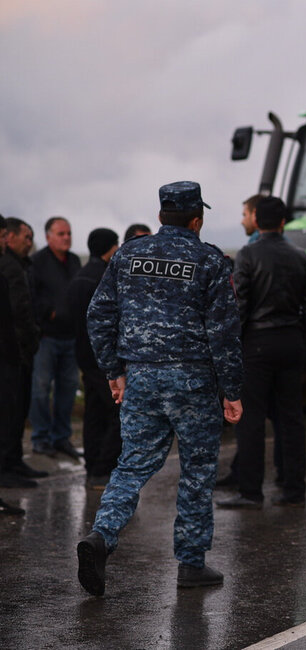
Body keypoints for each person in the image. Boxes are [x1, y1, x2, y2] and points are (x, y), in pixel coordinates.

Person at [76, 181, 243, 597]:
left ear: (159, 216)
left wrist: (114, 371)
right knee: (197, 469)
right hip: (194, 381)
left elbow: (98, 314)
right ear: (197, 220)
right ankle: (191, 563)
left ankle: (102, 536)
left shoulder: (127, 254)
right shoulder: (210, 260)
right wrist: (232, 390)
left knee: (132, 464)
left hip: (142, 377)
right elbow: (223, 332)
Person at [217, 196, 306, 509]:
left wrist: (235, 340)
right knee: (291, 418)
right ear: (284, 222)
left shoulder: (248, 253)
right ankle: (293, 488)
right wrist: (296, 330)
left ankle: (250, 491)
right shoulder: (300, 256)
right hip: (291, 341)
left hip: (257, 344)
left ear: (257, 220)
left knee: (252, 419)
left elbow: (241, 303)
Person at [66, 228, 122, 490]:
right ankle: (102, 469)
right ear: (110, 249)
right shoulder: (104, 278)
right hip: (105, 358)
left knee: (93, 414)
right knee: (118, 412)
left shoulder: (79, 277)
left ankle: (92, 467)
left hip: (84, 356)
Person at [29, 216, 82, 458]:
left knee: (68, 389)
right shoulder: (37, 262)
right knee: (40, 389)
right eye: (61, 234)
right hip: (46, 337)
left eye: (69, 233)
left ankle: (61, 438)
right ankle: (40, 438)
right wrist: (47, 312)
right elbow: (30, 294)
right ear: (48, 236)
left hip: (70, 336)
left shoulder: (72, 261)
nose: (66, 238)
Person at [0, 217, 45, 486]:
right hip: (12, 349)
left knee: (18, 409)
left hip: (20, 349)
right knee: (9, 410)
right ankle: (6, 466)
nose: (29, 243)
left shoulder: (22, 266)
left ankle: (14, 461)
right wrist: (27, 340)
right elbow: (16, 312)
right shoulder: (9, 267)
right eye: (25, 237)